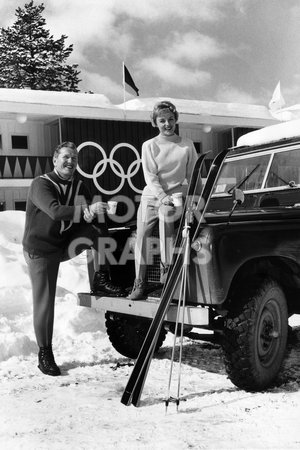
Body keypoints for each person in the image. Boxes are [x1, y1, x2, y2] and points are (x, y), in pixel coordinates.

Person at [23, 141, 125, 377]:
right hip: (41, 250)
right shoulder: (41, 184)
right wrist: (88, 209)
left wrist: (104, 209)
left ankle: (100, 277)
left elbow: (92, 213)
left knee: (98, 225)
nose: (71, 162)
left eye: (75, 158)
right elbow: (56, 211)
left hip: (64, 243)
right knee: (45, 301)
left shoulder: (80, 185)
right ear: (55, 159)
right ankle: (44, 353)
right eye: (66, 157)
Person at [128, 101, 198, 300]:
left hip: (174, 199)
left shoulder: (187, 145)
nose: (167, 124)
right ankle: (139, 283)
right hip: (152, 196)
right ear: (155, 122)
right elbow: (150, 176)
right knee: (142, 236)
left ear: (176, 120)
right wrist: (161, 197)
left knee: (167, 226)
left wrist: (196, 199)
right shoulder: (149, 146)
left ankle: (165, 280)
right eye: (162, 120)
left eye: (170, 119)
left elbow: (193, 175)